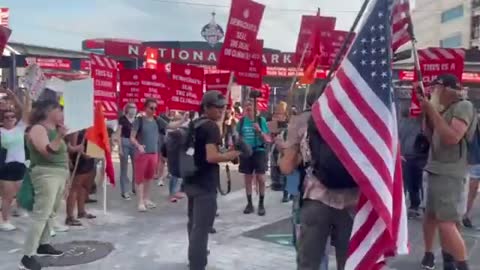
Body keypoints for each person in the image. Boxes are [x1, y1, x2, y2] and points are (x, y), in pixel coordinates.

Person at [278, 89, 357, 270]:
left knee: (309, 263)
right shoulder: (356, 116)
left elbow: (287, 167)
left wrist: (283, 151)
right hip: (353, 203)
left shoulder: (301, 120)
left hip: (316, 199)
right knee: (350, 263)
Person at [419, 74, 475, 270]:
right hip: (435, 168)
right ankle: (440, 258)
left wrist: (432, 111)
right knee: (431, 216)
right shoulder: (444, 109)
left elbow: (452, 137)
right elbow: (429, 135)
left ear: (448, 88)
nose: (434, 90)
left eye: (436, 87)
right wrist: (428, 112)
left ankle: (462, 265)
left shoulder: (463, 106)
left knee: (447, 222)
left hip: (449, 173)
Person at [184, 90, 240, 270]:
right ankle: (197, 264)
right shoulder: (211, 127)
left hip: (191, 179)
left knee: (193, 224)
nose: (221, 110)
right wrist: (234, 154)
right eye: (217, 107)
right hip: (204, 184)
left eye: (223, 107)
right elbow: (211, 157)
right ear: (206, 107)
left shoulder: (195, 123)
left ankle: (194, 257)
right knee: (201, 228)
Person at [20, 100, 69, 270]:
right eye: (59, 110)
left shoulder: (54, 129)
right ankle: (28, 255)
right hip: (46, 173)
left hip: (58, 174)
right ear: (49, 111)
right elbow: (46, 152)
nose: (62, 114)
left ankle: (43, 244)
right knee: (42, 213)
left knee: (51, 212)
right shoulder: (38, 129)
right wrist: (61, 136)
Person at [0, 88, 30, 231]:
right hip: (6, 166)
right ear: (2, 119)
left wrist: (14, 96)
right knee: (7, 196)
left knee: (20, 191)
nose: (10, 119)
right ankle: (4, 220)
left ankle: (18, 210)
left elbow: (24, 112)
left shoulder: (20, 129)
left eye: (12, 117)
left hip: (20, 165)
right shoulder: (1, 132)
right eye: (7, 117)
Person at [237, 99, 270, 216]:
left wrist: (259, 130)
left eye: (250, 105)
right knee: (248, 178)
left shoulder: (261, 121)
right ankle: (249, 203)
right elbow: (237, 138)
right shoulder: (241, 122)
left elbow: (267, 139)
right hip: (246, 152)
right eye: (246, 106)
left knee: (261, 178)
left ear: (256, 109)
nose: (248, 108)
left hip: (259, 151)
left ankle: (261, 202)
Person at [399, 106, 428, 219]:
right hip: (417, 156)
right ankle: (416, 206)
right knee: (416, 184)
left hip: (407, 156)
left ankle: (412, 206)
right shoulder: (420, 123)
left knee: (408, 183)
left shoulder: (401, 123)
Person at [65, 130, 96, 226]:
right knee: (75, 187)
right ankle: (70, 216)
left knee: (83, 186)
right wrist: (83, 154)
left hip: (89, 159)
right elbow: (73, 148)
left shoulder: (88, 128)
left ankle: (81, 211)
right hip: (80, 160)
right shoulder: (76, 130)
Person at [115, 103, 137, 200]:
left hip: (135, 143)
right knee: (124, 168)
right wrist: (119, 148)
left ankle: (134, 187)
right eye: (132, 107)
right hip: (125, 142)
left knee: (136, 167)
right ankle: (124, 191)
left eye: (135, 108)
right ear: (127, 109)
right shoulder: (122, 119)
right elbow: (119, 134)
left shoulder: (137, 119)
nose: (133, 109)